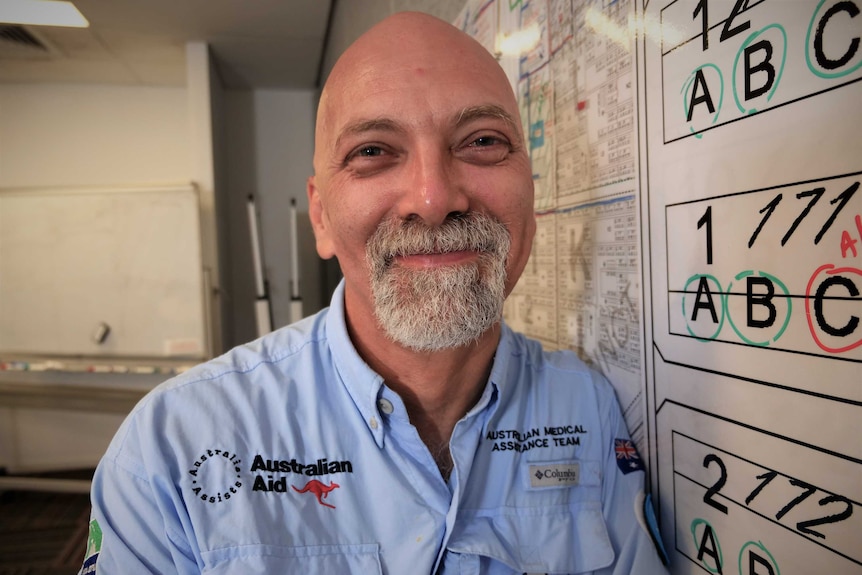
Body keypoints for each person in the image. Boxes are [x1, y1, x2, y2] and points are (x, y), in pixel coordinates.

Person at [80, 11, 668, 575]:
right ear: (321, 217)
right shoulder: (171, 447)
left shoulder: (588, 410)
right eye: (372, 152)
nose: (434, 198)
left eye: (483, 141)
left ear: (531, 202)